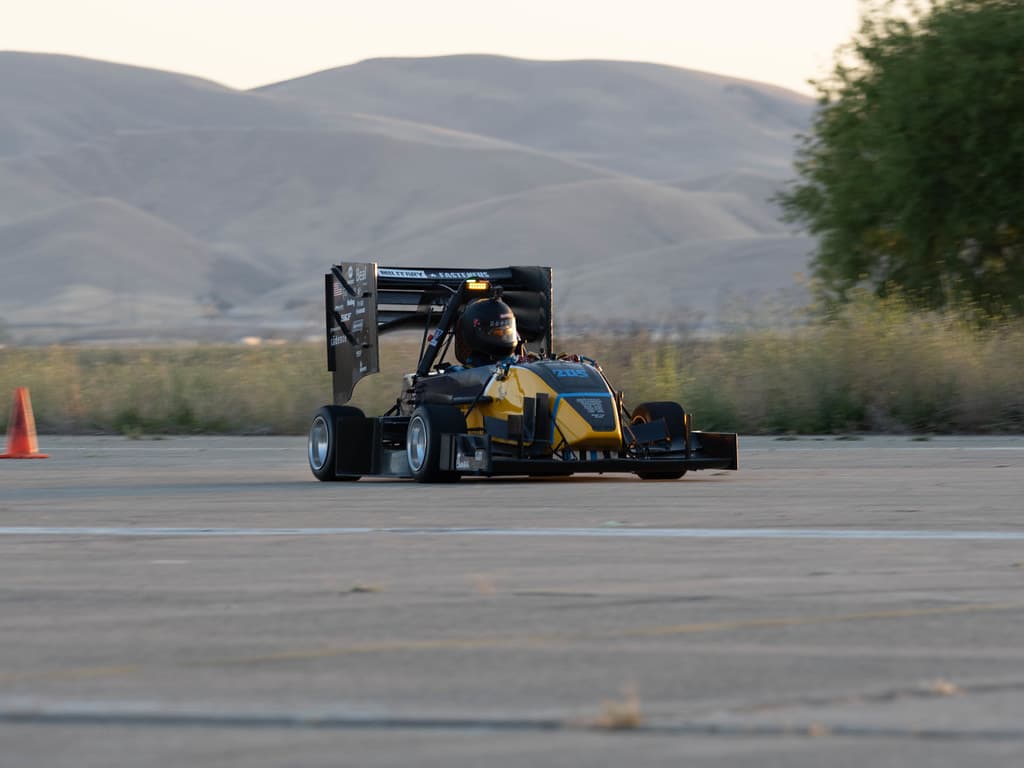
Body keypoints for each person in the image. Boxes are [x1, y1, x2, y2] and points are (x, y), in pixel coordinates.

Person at [454, 296, 520, 367]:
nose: (503, 335)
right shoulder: (460, 373)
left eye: (507, 331)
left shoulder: (519, 363)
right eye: (497, 332)